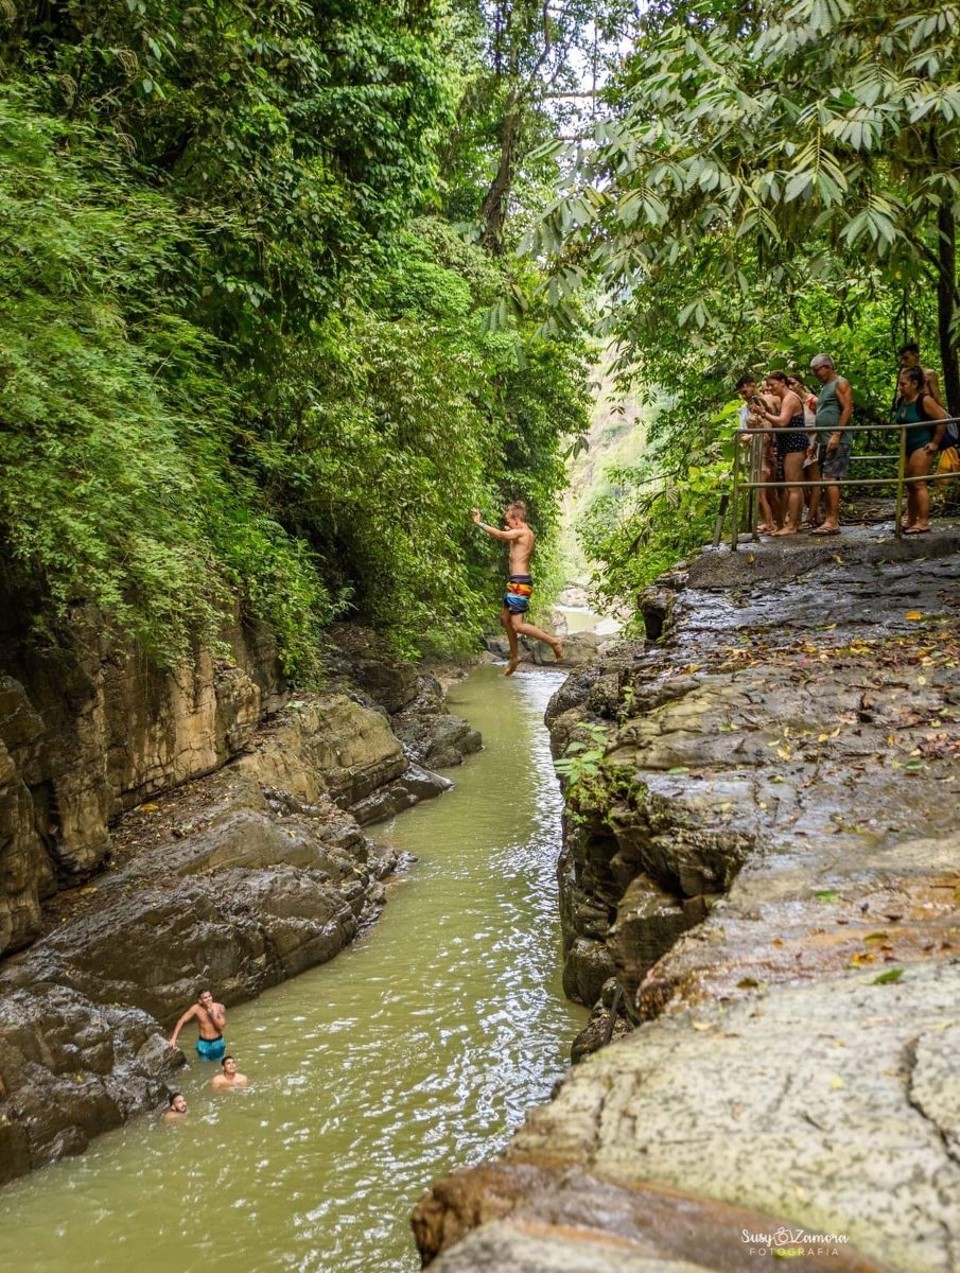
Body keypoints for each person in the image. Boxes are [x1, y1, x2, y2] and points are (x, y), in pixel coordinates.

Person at [471, 502, 563, 676]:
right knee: (505, 618)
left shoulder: (522, 532)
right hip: (515, 583)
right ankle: (515, 656)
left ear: (518, 520)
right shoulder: (523, 532)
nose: (508, 525)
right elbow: (510, 536)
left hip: (520, 584)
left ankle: (554, 641)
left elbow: (500, 535)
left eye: (510, 521)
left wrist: (479, 523)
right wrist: (510, 529)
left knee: (518, 626)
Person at [894, 364, 946, 534]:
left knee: (918, 482)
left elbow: (941, 419)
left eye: (904, 384)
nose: (900, 388)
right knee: (909, 485)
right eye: (900, 384)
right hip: (907, 446)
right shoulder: (902, 401)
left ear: (914, 384)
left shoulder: (925, 400)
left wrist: (935, 443)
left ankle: (923, 521)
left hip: (922, 445)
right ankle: (910, 519)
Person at [755, 372, 807, 535]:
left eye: (772, 384)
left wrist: (764, 413)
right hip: (789, 445)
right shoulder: (786, 398)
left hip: (794, 445)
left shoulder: (790, 398)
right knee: (795, 486)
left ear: (783, 382)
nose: (770, 388)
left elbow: (783, 422)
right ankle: (796, 523)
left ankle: (791, 525)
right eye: (768, 386)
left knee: (792, 486)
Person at [808, 354, 854, 535]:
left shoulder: (840, 383)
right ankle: (829, 519)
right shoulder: (825, 387)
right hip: (825, 440)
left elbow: (848, 408)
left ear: (827, 367)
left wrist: (837, 434)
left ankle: (832, 521)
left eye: (817, 370)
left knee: (830, 478)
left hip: (838, 440)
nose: (816, 374)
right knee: (827, 479)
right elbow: (824, 414)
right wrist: (816, 442)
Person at [736, 375, 779, 533]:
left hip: (765, 453)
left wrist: (753, 433)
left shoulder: (767, 403)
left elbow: (769, 430)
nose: (744, 395)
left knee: (764, 492)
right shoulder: (743, 410)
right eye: (742, 393)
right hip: (755, 453)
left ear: (753, 386)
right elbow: (743, 435)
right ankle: (771, 522)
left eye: (745, 391)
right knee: (763, 492)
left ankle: (771, 522)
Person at [167, 988, 227, 1060]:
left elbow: (221, 1027)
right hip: (203, 1043)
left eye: (209, 996)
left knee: (219, 1065)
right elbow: (181, 1021)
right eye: (205, 998)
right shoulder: (196, 1009)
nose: (208, 999)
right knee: (205, 1067)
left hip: (218, 1042)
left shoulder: (219, 1007)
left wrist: (211, 1014)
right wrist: (174, 1038)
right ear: (200, 1000)